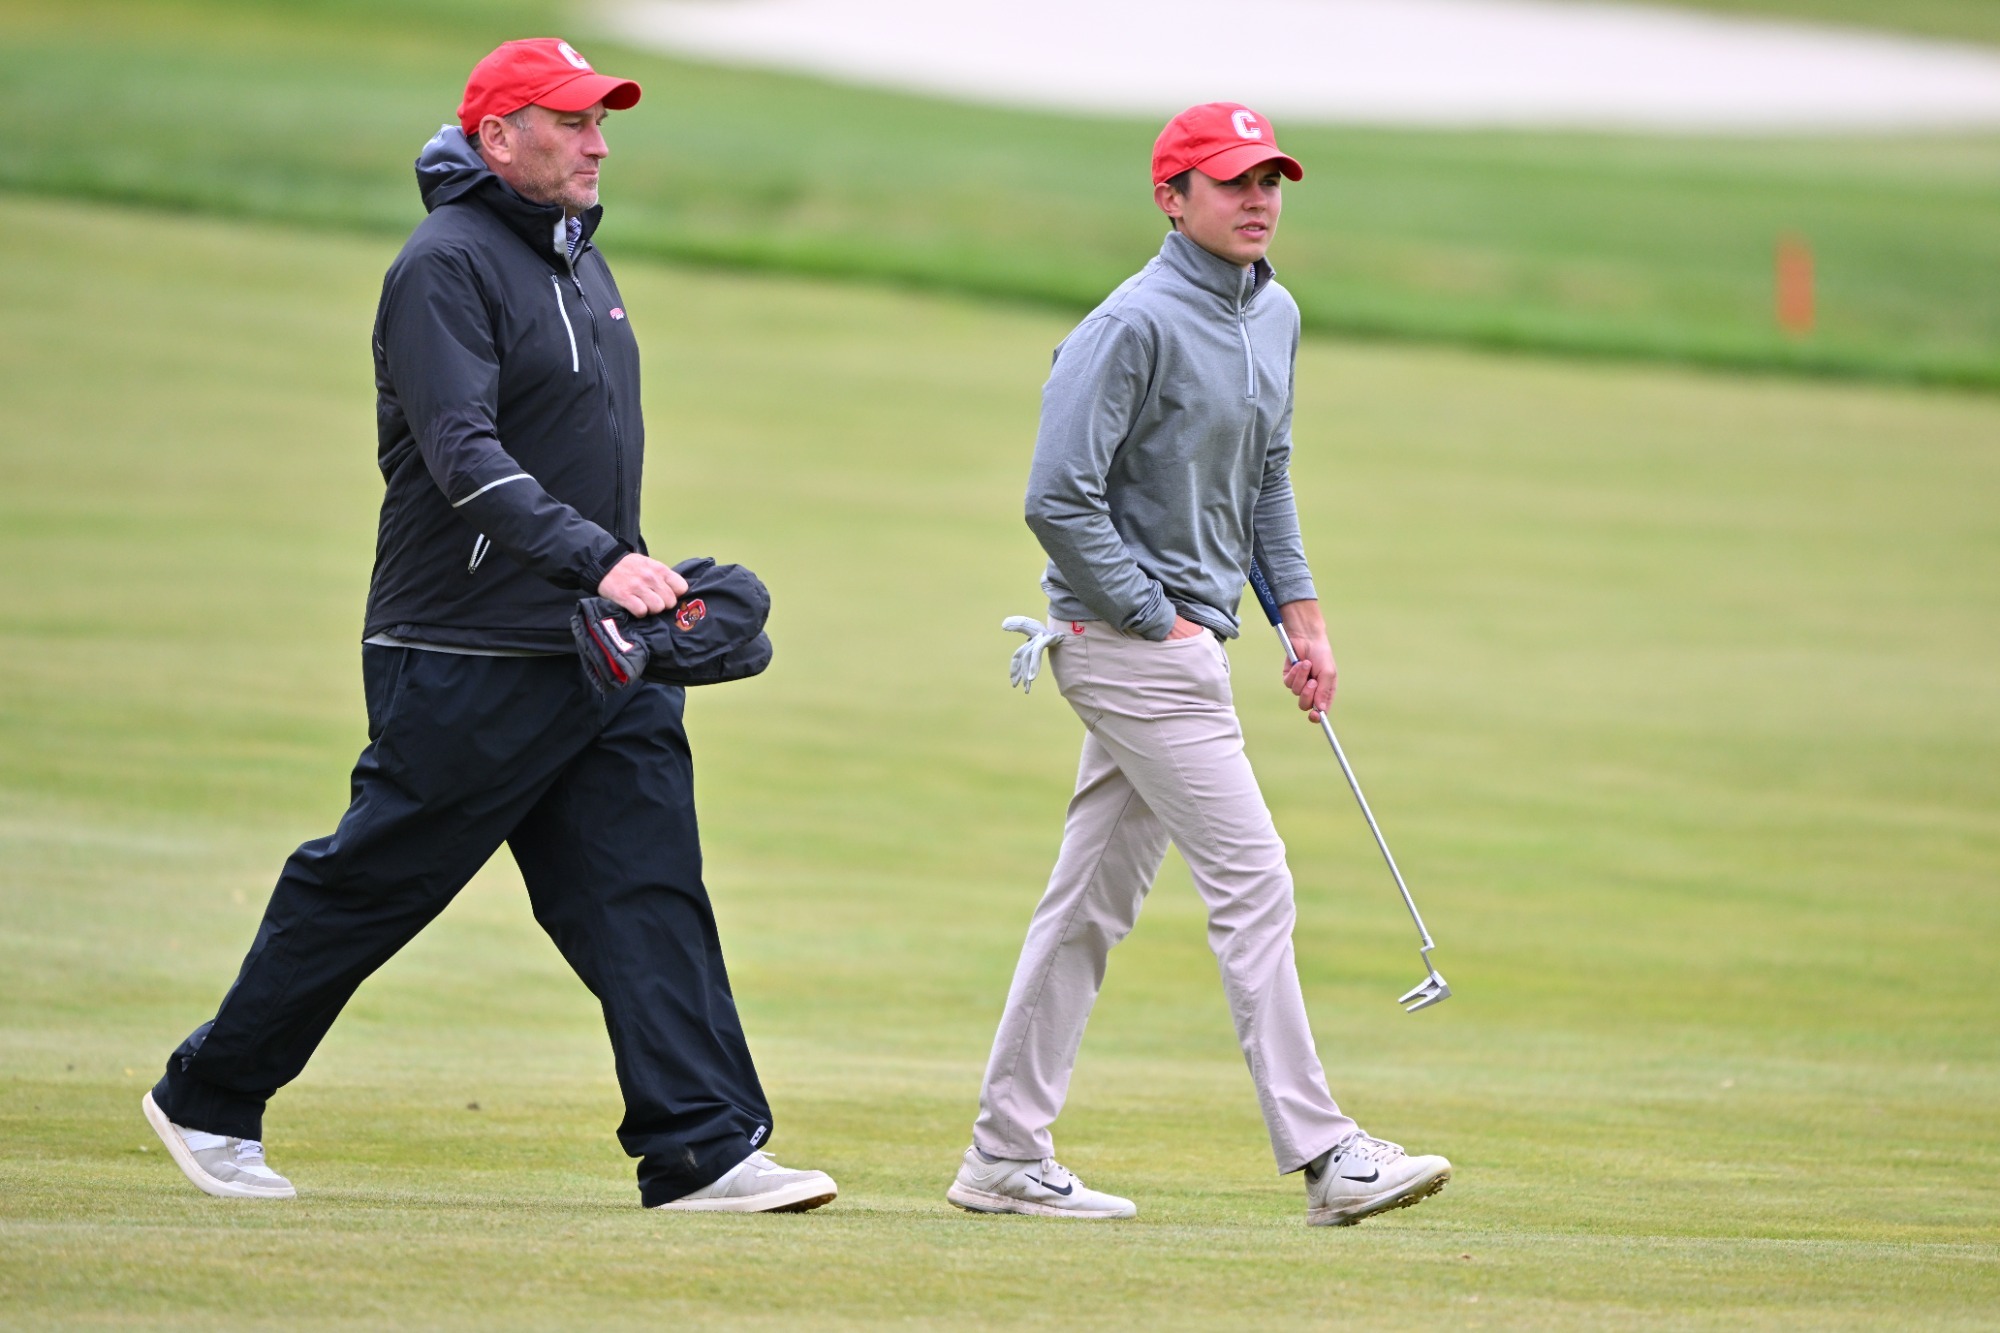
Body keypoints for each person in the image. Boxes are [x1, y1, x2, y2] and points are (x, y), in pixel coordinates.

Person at [140, 38, 836, 1215]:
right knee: (374, 883)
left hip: (594, 649)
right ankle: (207, 1097)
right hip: (462, 648)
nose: (598, 143)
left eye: (602, 122)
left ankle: (701, 1147)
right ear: (497, 135)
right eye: (572, 122)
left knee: (646, 890)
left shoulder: (576, 260)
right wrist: (602, 560)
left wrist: (628, 584)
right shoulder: (444, 265)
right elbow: (464, 456)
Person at [947, 103, 1451, 1226]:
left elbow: (1266, 474)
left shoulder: (1273, 312)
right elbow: (1056, 497)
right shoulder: (1129, 324)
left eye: (1269, 180)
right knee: (1253, 877)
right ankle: (1326, 1153)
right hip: (1131, 646)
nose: (1257, 200)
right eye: (1231, 182)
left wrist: (1301, 617)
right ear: (1171, 199)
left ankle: (1003, 1154)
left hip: (1187, 643)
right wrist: (1153, 617)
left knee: (1087, 905)